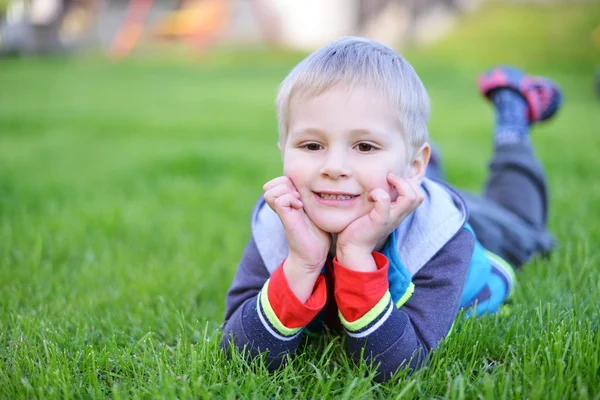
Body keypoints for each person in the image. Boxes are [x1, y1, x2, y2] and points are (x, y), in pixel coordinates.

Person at [221, 37, 562, 381]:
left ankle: (512, 121)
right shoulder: (279, 224)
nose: (333, 166)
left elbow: (395, 367)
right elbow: (240, 354)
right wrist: (302, 263)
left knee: (526, 232)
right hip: (390, 188)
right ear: (284, 150)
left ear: (415, 165)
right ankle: (406, 157)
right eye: (312, 145)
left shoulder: (440, 238)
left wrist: (354, 253)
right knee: (381, 174)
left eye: (365, 146)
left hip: (471, 228)